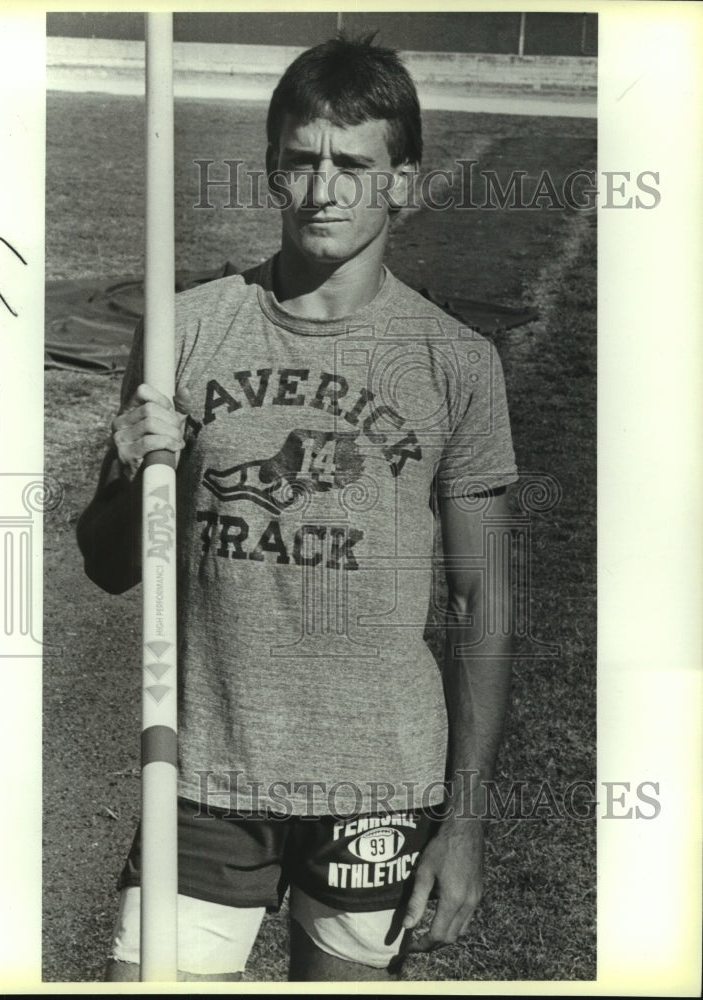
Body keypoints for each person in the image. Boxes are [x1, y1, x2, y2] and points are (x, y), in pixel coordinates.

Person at [77, 33, 518, 983]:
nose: (325, 189)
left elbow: (481, 609)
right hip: (200, 775)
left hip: (380, 783)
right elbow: (110, 565)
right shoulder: (184, 331)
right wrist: (125, 474)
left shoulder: (456, 363)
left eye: (355, 166)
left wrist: (468, 823)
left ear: (401, 180)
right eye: (302, 161)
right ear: (272, 173)